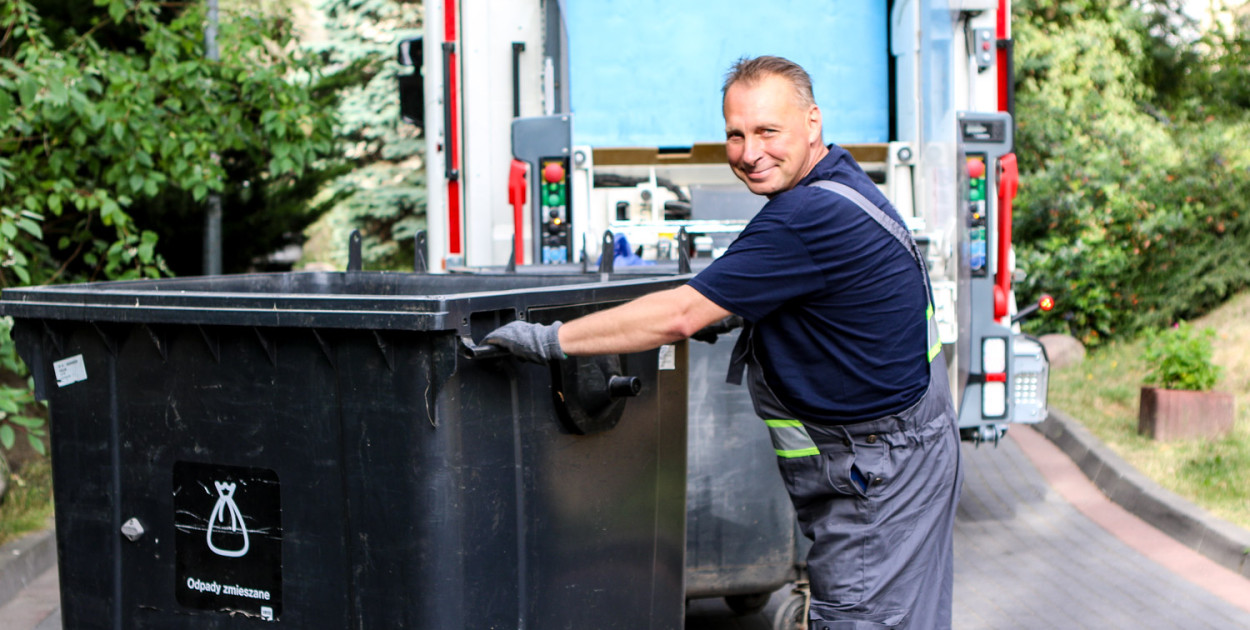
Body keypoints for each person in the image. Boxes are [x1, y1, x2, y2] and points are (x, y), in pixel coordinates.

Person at [484, 55, 963, 629]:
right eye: (735, 134)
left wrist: (552, 340)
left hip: (876, 472)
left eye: (767, 131)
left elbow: (682, 313)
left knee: (864, 617)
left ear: (813, 123)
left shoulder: (802, 217)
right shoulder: (842, 182)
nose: (748, 151)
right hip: (908, 449)